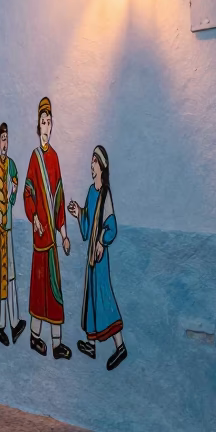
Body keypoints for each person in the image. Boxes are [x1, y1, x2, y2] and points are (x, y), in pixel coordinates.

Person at [68, 145, 127, 371]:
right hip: (92, 255)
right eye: (91, 160)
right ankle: (91, 344)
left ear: (101, 165)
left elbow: (110, 225)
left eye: (94, 160)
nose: (90, 165)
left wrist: (102, 241)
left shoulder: (105, 194)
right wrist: (78, 213)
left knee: (104, 299)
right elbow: (87, 222)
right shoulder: (91, 192)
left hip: (100, 256)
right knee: (91, 298)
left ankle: (120, 346)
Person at [23, 96, 72, 360]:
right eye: (43, 121)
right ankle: (34, 337)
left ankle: (56, 344)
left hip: (52, 238)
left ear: (52, 126)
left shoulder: (54, 158)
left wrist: (63, 234)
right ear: (38, 126)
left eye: (49, 121)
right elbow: (28, 193)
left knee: (54, 290)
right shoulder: (34, 158)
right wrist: (35, 218)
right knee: (38, 288)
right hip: (39, 237)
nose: (46, 125)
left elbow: (60, 199)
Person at [0, 123, 27, 346]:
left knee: (9, 276)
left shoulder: (11, 165)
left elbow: (15, 184)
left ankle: (12, 322)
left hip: (8, 228)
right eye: (2, 138)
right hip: (1, 228)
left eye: (7, 138)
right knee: (3, 276)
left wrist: (13, 190)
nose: (5, 142)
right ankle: (3, 324)